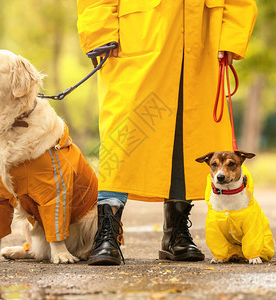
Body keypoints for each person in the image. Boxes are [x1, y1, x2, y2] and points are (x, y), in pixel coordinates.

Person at [77, 0, 258, 265]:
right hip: (138, 43)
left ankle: (176, 234)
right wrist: (100, 34)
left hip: (201, 47)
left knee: (188, 139)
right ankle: (106, 235)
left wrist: (231, 38)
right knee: (124, 139)